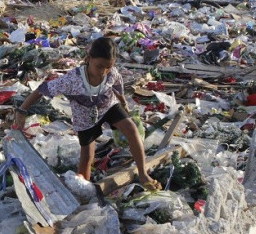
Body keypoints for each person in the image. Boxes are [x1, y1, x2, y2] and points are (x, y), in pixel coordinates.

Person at [13, 37, 160, 188]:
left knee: (131, 129)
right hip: (85, 117)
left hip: (108, 106)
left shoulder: (112, 73)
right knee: (87, 156)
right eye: (99, 66)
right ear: (89, 59)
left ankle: (143, 174)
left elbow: (117, 85)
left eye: (108, 67)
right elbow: (41, 90)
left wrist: (123, 104)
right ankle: (84, 188)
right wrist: (21, 110)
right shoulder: (72, 80)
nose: (104, 72)